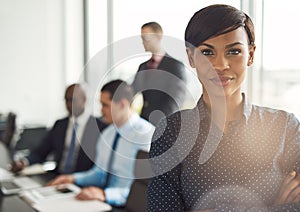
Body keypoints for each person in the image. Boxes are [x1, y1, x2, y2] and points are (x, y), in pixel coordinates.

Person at [147, 4, 300, 211]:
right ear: (191, 57)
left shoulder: (285, 128)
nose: (220, 64)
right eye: (207, 52)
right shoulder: (171, 132)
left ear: (251, 55)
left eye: (234, 51)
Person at [47, 80, 155, 206]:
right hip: (103, 202)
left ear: (122, 105)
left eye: (105, 105)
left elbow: (147, 189)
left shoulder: (147, 136)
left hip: (129, 205)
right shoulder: (107, 134)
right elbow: (100, 174)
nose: (101, 110)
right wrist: (73, 178)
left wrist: (106, 195)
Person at [11, 83, 109, 174]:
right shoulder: (60, 125)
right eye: (66, 100)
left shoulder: (99, 128)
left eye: (72, 100)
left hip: (82, 182)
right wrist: (24, 162)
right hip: (57, 177)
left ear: (84, 100)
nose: (68, 104)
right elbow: (41, 152)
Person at [131, 21, 187, 126]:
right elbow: (131, 92)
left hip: (164, 125)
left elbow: (175, 100)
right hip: (144, 124)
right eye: (142, 38)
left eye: (146, 38)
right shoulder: (143, 67)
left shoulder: (175, 66)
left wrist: (160, 125)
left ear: (159, 37)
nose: (143, 42)